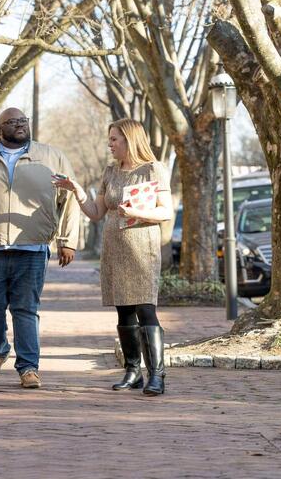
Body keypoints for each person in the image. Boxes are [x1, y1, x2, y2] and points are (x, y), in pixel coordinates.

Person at [0, 107, 80, 389]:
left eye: (23, 121)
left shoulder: (52, 157)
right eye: (12, 122)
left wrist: (67, 241)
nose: (19, 125)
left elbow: (69, 201)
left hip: (32, 248)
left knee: (25, 309)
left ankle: (28, 368)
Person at [53, 118, 172, 396]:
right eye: (109, 140)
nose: (110, 145)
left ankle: (157, 375)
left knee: (145, 308)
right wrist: (77, 190)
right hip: (115, 246)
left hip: (142, 246)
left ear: (130, 140)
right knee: (123, 309)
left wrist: (137, 214)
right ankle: (133, 372)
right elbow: (96, 213)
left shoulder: (153, 169)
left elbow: (165, 211)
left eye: (114, 139)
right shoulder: (110, 172)